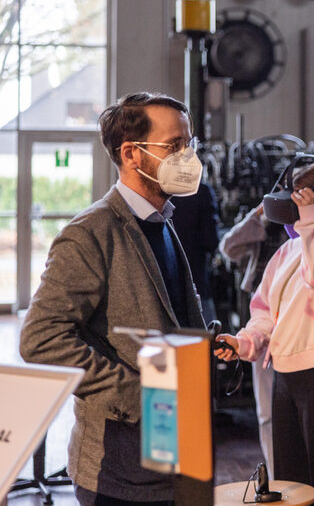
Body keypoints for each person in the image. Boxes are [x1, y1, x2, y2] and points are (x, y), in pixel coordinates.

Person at [19, 92, 206, 505]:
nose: (188, 156)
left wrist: (208, 345)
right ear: (131, 154)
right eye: (174, 145)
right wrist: (139, 397)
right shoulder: (90, 233)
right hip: (119, 469)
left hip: (176, 456)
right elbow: (41, 341)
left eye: (190, 144)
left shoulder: (161, 222)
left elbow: (164, 320)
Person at [214, 164, 314, 506]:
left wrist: (311, 222)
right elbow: (264, 312)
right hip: (284, 378)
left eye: (303, 203)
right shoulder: (286, 251)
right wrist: (243, 342)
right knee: (291, 487)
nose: (295, 213)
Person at [217, 200, 282, 478]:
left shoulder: (312, 235)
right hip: (261, 322)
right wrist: (257, 215)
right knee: (266, 412)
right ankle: (277, 472)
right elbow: (228, 246)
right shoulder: (263, 229)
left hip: (298, 327)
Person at [171, 180, 221, 323]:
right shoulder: (202, 191)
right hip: (196, 280)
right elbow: (210, 240)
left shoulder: (163, 191)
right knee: (203, 338)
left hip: (166, 282)